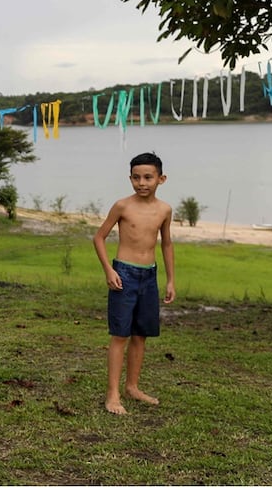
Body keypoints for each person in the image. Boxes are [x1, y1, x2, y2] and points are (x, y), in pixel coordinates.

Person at [92, 152, 175, 415]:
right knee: (120, 335)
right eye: (136, 178)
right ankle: (112, 394)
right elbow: (99, 237)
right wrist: (109, 270)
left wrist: (171, 279)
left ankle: (133, 387)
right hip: (124, 274)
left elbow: (167, 243)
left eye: (148, 177)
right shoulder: (122, 206)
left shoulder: (165, 210)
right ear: (130, 178)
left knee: (141, 334)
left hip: (149, 276)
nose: (142, 183)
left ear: (161, 179)